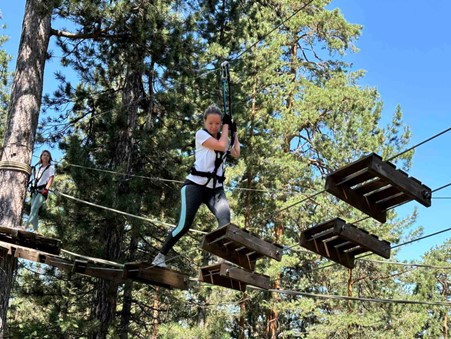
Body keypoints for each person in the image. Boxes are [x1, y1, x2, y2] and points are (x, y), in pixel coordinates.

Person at [152, 104, 240, 268]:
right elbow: (221, 146)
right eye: (210, 123)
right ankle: (160, 256)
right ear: (205, 123)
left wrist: (234, 133)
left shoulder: (223, 137)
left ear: (221, 124)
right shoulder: (201, 135)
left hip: (215, 189)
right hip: (195, 186)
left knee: (225, 221)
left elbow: (235, 152)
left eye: (217, 124)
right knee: (184, 225)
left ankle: (223, 258)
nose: (214, 127)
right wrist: (227, 127)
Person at [24, 150, 55, 233]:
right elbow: (36, 178)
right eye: (44, 155)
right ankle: (36, 230)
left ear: (49, 158)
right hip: (35, 190)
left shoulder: (50, 168)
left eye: (47, 155)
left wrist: (46, 189)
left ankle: (25, 226)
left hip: (43, 190)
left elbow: (51, 179)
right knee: (34, 210)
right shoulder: (39, 167)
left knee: (34, 208)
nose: (45, 156)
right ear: (41, 157)